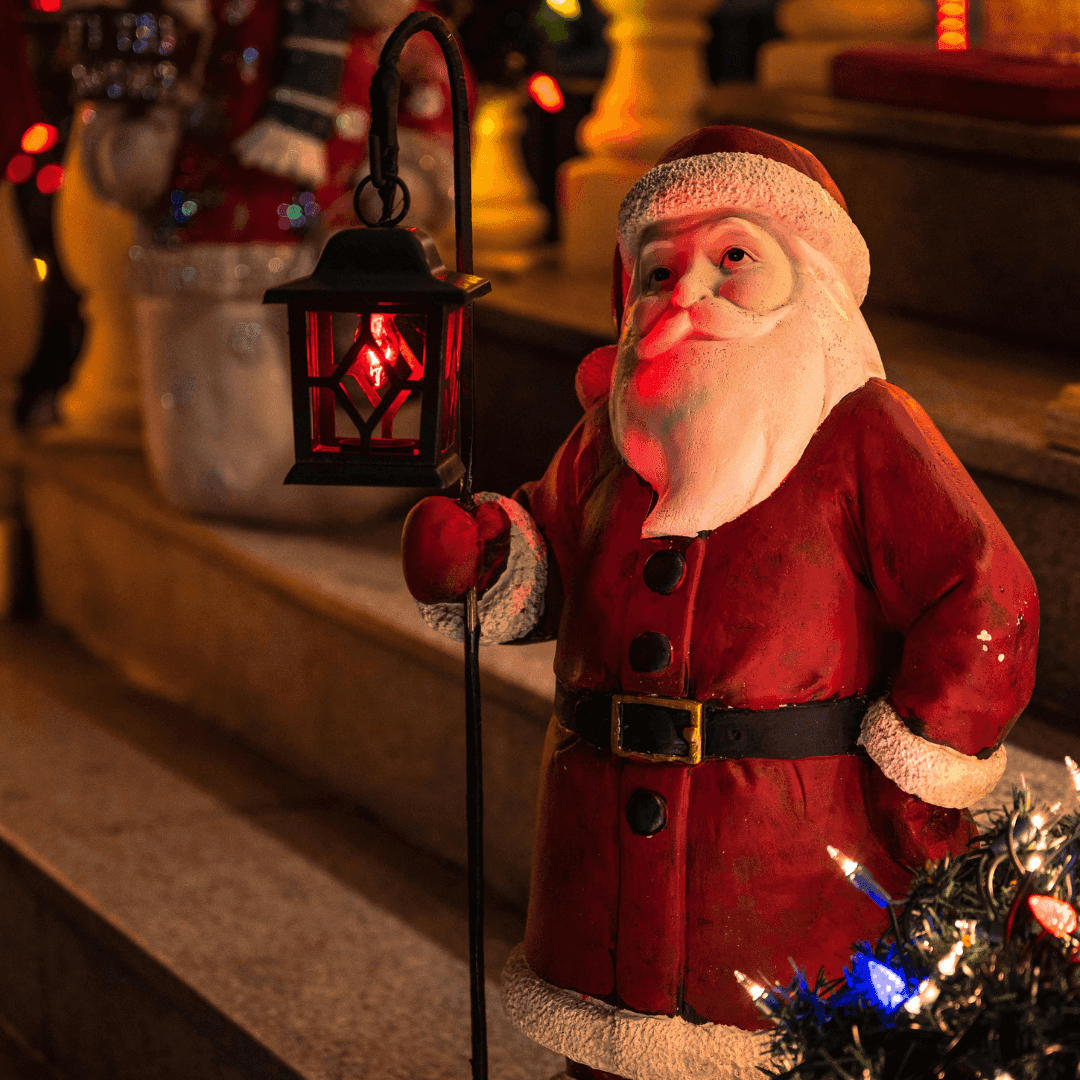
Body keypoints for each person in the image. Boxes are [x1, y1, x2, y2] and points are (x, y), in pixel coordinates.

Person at [401, 126, 1039, 1080]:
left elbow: (983, 588)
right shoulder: (609, 441)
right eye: (658, 272)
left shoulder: (866, 432)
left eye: (732, 258)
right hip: (600, 848)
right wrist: (488, 556)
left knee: (777, 1047)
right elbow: (548, 552)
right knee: (606, 1046)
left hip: (789, 847)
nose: (685, 291)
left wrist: (919, 755)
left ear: (807, 282)